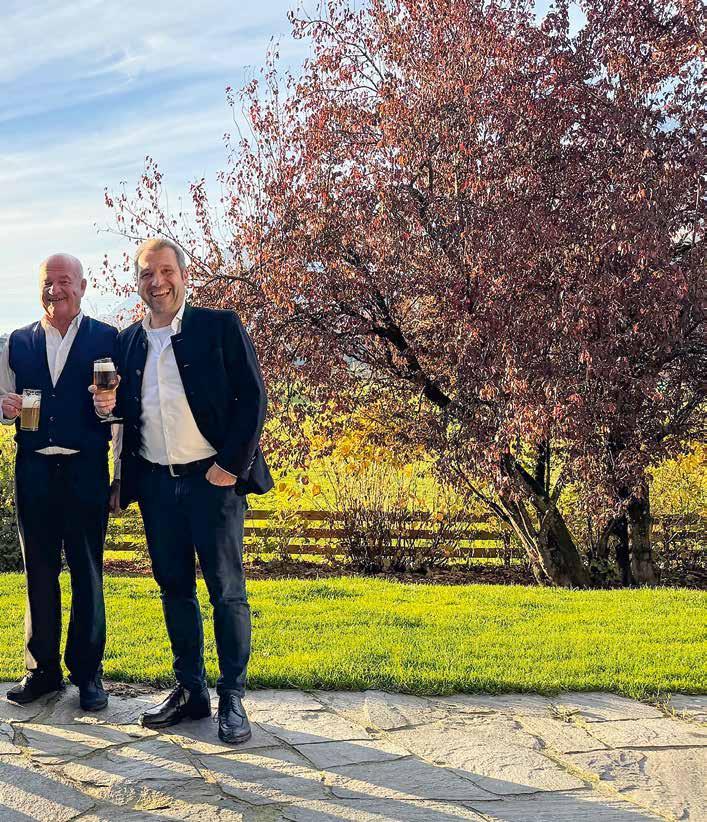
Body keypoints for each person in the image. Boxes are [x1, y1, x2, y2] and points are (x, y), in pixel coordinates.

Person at [93, 237, 273, 744]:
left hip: (213, 482)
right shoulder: (128, 342)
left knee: (226, 592)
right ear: (138, 283)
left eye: (166, 271)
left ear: (184, 276)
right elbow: (128, 414)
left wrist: (230, 467)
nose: (158, 282)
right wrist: (109, 415)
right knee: (174, 589)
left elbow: (253, 398)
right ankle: (191, 691)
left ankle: (232, 696)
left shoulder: (219, 326)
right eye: (147, 274)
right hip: (156, 484)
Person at [0, 254, 117, 710]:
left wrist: (120, 472)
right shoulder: (17, 342)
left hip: (86, 468)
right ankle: (42, 671)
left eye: (64, 281)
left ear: (82, 287)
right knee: (39, 571)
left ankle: (88, 674)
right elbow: (2, 398)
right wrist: (4, 407)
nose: (55, 290)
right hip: (33, 469)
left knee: (87, 571)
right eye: (48, 282)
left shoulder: (108, 338)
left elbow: (122, 411)